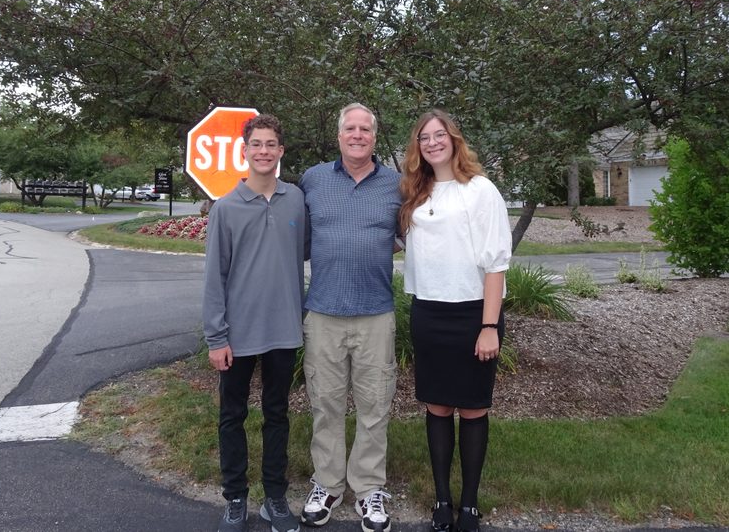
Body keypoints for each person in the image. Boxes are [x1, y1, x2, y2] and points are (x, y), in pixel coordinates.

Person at [398, 109, 512, 532]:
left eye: (439, 135)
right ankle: (442, 501)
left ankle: (469, 505)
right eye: (424, 137)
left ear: (454, 140)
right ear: (418, 147)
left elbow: (496, 264)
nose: (432, 142)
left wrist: (488, 326)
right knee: (439, 406)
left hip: (472, 315)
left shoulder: (480, 190)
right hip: (428, 312)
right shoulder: (415, 193)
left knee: (475, 409)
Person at [298, 102, 402, 532]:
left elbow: (410, 234)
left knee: (375, 404)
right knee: (325, 403)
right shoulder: (313, 180)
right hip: (322, 311)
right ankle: (327, 482)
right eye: (350, 129)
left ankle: (368, 487)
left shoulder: (397, 184)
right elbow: (297, 238)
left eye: (365, 129)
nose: (357, 135)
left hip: (375, 313)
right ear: (338, 135)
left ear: (375, 137)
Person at [202, 114, 305, 532]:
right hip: (237, 335)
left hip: (283, 329)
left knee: (277, 414)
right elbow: (214, 277)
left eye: (271, 144)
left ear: (281, 152)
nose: (263, 151)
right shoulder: (225, 209)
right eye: (256, 144)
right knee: (233, 415)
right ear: (245, 152)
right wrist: (216, 337)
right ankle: (235, 498)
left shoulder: (296, 199)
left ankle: (275, 498)